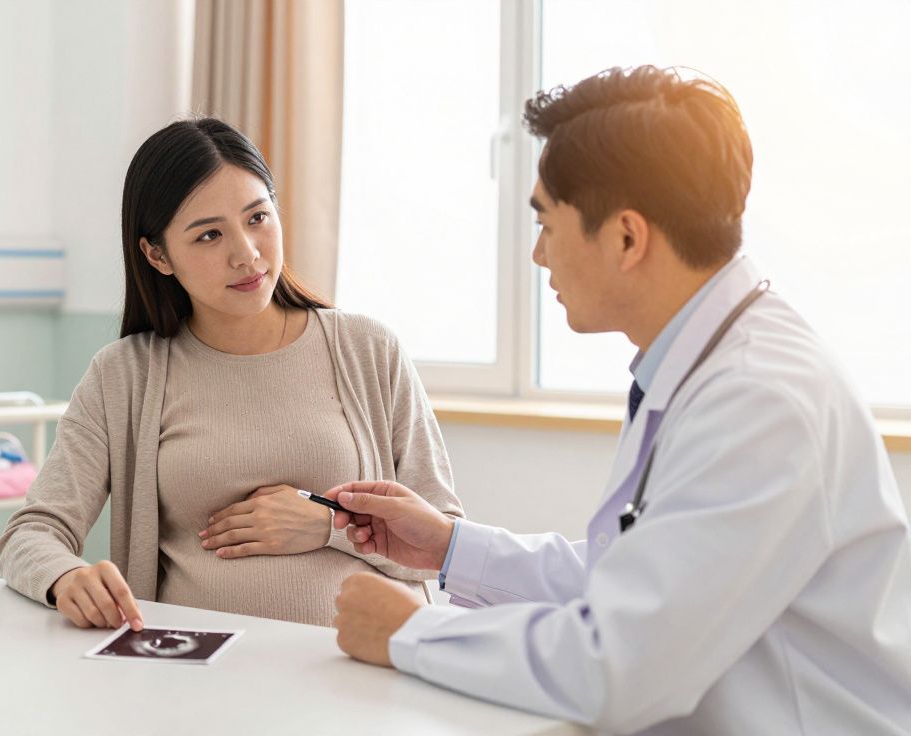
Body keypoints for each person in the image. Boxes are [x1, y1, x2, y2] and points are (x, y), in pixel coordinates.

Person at [325, 66, 911, 735]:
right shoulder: (709, 363)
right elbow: (634, 585)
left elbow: (619, 667)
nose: (540, 255)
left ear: (628, 238)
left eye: (546, 223)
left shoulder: (761, 402)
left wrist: (412, 633)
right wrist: (450, 548)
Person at [0, 118, 463, 630]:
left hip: (362, 669)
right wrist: (65, 577)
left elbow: (446, 543)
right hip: (194, 675)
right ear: (157, 255)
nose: (247, 253)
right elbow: (31, 532)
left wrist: (327, 526)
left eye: (258, 217)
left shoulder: (367, 349)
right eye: (210, 235)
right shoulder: (125, 375)